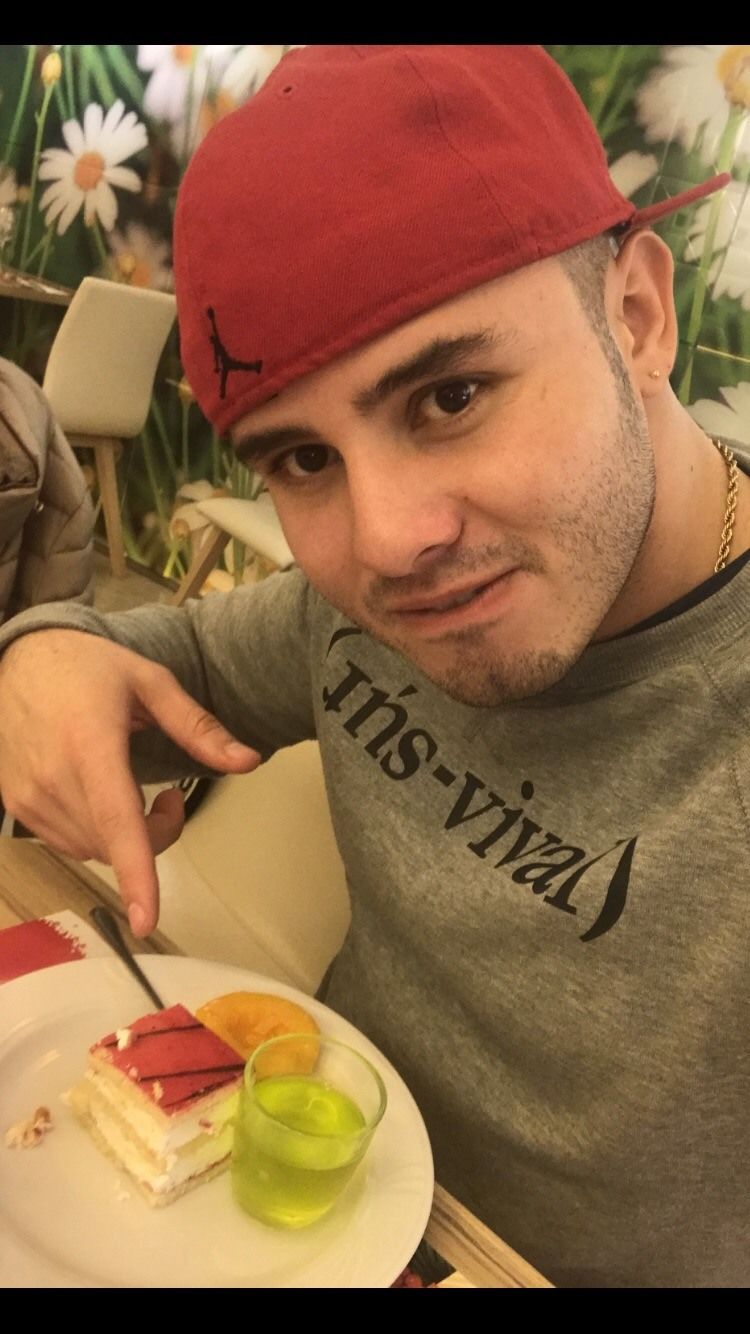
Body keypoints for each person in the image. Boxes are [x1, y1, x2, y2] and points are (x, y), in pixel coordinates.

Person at [0, 45, 747, 1288]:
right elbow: (169, 655)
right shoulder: (342, 615)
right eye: (302, 460)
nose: (392, 541)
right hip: (287, 1198)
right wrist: (41, 652)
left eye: (451, 395)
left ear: (636, 317)